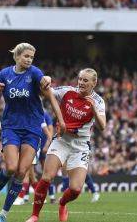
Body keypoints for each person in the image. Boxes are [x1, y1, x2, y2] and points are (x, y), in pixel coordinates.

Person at [0, 43, 66, 222]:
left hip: (32, 129)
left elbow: (49, 93)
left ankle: (3, 214)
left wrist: (60, 119)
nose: (29, 60)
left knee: (22, 172)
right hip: (11, 126)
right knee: (11, 167)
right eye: (26, 56)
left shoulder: (35, 73)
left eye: (31, 57)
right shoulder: (5, 74)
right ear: (17, 56)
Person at [25, 68, 106, 222]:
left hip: (81, 146)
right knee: (47, 177)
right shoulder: (67, 92)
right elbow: (46, 91)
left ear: (94, 83)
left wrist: (94, 108)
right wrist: (46, 79)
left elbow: (102, 126)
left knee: (75, 189)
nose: (81, 82)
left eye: (85, 80)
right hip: (62, 140)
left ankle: (62, 203)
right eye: (80, 79)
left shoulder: (99, 101)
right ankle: (35, 215)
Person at [13, 111, 53, 205]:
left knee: (25, 172)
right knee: (31, 175)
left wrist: (49, 139)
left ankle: (21, 197)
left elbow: (44, 127)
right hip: (25, 144)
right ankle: (41, 197)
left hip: (32, 145)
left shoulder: (36, 112)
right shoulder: (25, 112)